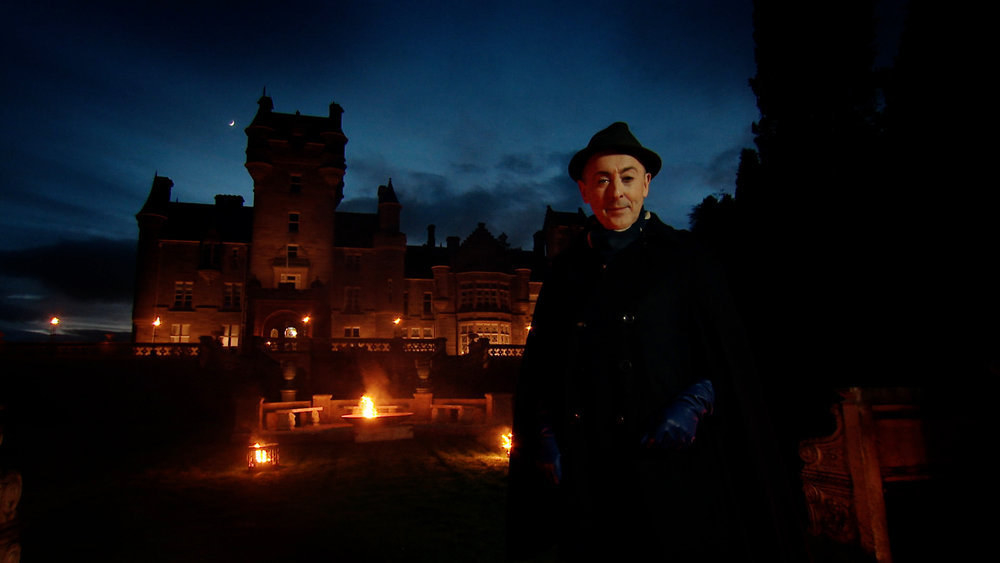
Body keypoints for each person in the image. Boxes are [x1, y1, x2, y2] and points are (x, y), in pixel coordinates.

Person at [507, 122, 801, 561]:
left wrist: (697, 401)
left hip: (667, 466)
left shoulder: (687, 259)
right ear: (584, 191)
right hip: (588, 469)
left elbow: (729, 356)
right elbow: (543, 366)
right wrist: (545, 429)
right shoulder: (566, 272)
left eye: (627, 177)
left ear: (646, 184)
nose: (616, 192)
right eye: (602, 180)